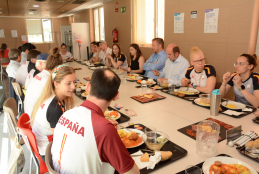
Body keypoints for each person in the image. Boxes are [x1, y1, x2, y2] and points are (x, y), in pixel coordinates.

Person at [51, 68, 140, 174]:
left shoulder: (66, 114)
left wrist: (104, 127)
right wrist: (106, 129)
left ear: (88, 87)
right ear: (116, 96)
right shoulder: (104, 129)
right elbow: (133, 173)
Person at [30, 65, 75, 159]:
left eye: (74, 82)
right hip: (47, 152)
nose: (74, 87)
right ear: (56, 84)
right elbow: (61, 139)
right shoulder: (54, 109)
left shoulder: (50, 96)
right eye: (68, 83)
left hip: (44, 143)